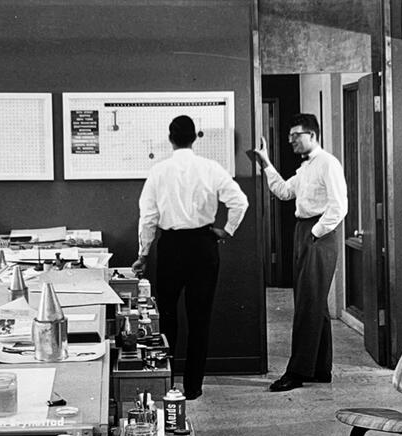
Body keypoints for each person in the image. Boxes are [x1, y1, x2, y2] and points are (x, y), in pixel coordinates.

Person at [132, 115, 249, 398]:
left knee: (167, 318)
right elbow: (240, 202)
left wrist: (143, 255)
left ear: (170, 138)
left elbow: (148, 217)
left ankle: (166, 382)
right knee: (200, 319)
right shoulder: (211, 168)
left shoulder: (159, 172)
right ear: (195, 137)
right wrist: (228, 230)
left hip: (171, 247)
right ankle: (194, 387)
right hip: (203, 246)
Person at [248, 112, 348, 391]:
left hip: (319, 233)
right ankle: (320, 369)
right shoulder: (307, 168)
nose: (291, 140)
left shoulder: (328, 164)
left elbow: (339, 207)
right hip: (305, 231)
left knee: (307, 304)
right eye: (289, 136)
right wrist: (266, 162)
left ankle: (297, 372)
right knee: (314, 302)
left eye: (296, 136)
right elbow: (283, 191)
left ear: (312, 136)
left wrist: (315, 233)